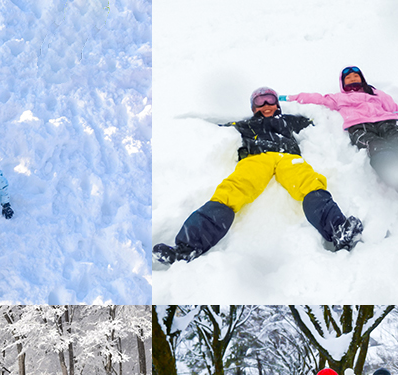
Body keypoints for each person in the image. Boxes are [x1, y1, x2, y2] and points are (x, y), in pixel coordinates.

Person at [153, 87, 364, 265]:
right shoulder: (246, 125)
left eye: (270, 100)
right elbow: (210, 129)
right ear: (254, 108)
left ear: (277, 104)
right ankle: (187, 248)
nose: (265, 106)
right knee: (231, 191)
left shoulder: (290, 121)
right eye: (259, 102)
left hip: (286, 157)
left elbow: (323, 118)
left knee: (309, 183)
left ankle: (338, 230)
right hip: (256, 159)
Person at [281, 66, 398, 203]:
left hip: (386, 123)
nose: (352, 79)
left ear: (362, 78)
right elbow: (316, 99)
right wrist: (288, 98)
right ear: (342, 83)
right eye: (348, 77)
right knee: (380, 150)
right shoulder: (339, 98)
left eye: (355, 76)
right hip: (360, 128)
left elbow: (396, 110)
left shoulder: (376, 94)